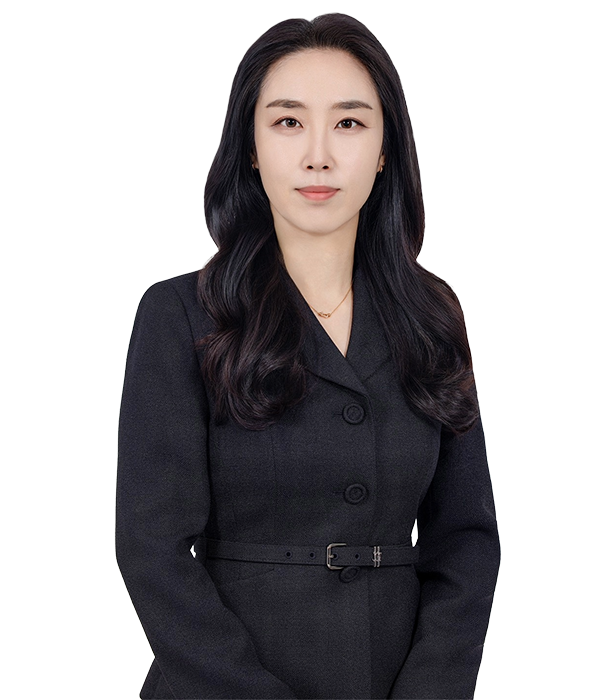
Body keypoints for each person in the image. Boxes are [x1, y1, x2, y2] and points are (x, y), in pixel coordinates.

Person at [115, 12, 501, 700]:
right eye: (288, 122)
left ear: (385, 150)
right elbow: (152, 550)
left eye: (349, 123)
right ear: (250, 147)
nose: (318, 155)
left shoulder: (433, 314)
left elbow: (466, 541)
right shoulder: (180, 315)